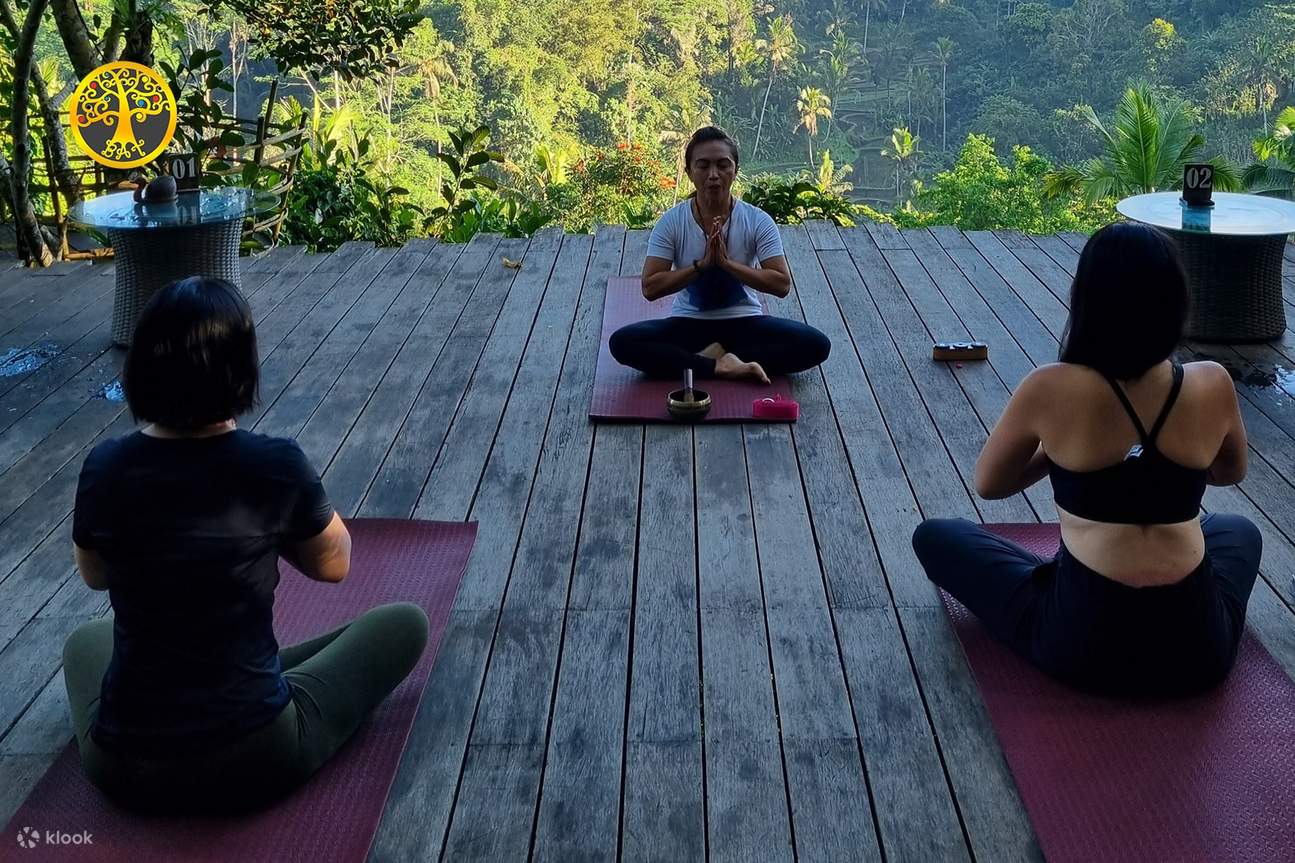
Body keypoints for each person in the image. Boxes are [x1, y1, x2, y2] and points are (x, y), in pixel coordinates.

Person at [64, 277, 429, 813]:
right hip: (256, 755)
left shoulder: (105, 466)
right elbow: (336, 565)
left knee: (86, 642)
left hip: (123, 765)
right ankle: (258, 676)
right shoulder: (273, 464)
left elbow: (95, 574)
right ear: (241, 370)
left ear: (141, 370)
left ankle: (246, 672)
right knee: (405, 623)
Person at [912, 222, 1260, 697]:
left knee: (936, 537)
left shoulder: (1051, 385)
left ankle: (1049, 579)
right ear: (1174, 303)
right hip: (1197, 651)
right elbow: (1228, 472)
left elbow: (990, 483)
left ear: (1089, 302)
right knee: (1239, 530)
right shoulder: (1212, 381)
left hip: (1083, 646)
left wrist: (1061, 457)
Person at [608, 126, 831, 383]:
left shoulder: (757, 220)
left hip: (745, 322)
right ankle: (721, 366)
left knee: (815, 344)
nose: (713, 174)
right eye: (703, 166)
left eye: (723, 165)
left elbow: (781, 284)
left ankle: (702, 362)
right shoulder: (672, 222)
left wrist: (727, 264)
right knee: (623, 342)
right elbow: (650, 287)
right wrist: (701, 265)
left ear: (735, 170)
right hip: (688, 323)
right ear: (690, 172)